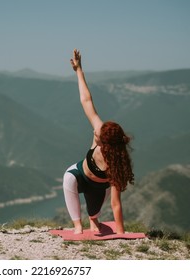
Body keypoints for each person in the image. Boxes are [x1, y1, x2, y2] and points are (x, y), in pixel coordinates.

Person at [62, 49, 134, 234]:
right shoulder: (99, 129)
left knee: (94, 214)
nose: (95, 132)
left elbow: (116, 204)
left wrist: (121, 233)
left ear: (106, 144)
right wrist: (79, 70)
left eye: (98, 136)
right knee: (68, 178)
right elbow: (86, 100)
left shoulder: (115, 165)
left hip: (98, 187)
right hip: (80, 174)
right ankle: (78, 226)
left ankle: (93, 219)